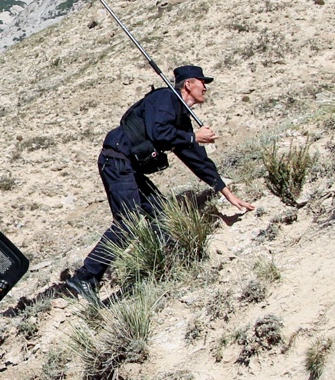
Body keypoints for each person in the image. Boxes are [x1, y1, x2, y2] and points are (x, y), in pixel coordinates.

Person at [66, 64, 254, 301]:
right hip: (117, 162)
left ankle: (159, 264)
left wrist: (227, 193)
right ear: (188, 84)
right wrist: (194, 136)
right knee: (129, 221)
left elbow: (196, 159)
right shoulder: (165, 99)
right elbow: (159, 133)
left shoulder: (181, 117)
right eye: (201, 81)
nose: (205, 87)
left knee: (162, 215)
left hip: (129, 167)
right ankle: (85, 278)